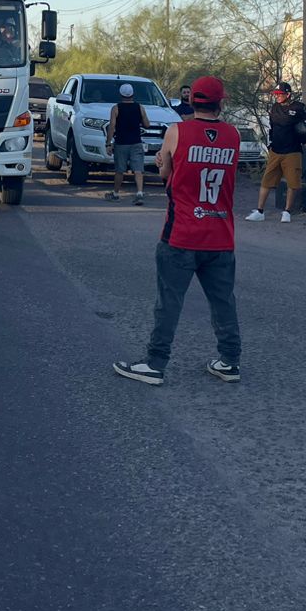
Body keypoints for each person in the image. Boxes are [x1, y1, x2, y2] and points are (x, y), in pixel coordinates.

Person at [114, 76, 243, 387]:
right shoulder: (233, 135)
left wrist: (162, 162)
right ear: (220, 103)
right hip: (220, 234)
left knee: (169, 302)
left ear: (191, 100)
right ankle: (230, 360)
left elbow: (167, 175)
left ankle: (155, 363)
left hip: (182, 233)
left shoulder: (177, 131)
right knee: (223, 301)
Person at [247, 80, 306, 223]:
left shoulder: (299, 107)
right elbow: (271, 128)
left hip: (293, 150)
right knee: (266, 181)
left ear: (288, 94)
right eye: (276, 94)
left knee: (293, 183)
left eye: (280, 94)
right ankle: (260, 211)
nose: (277, 96)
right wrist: (269, 143)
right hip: (276, 150)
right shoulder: (274, 107)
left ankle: (287, 212)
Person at [104, 82, 149, 204]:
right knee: (138, 169)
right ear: (133, 94)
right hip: (136, 142)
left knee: (119, 170)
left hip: (121, 143)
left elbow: (112, 126)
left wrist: (108, 143)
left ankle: (116, 193)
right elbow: (147, 124)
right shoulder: (140, 107)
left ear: (120, 94)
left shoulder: (116, 108)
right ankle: (139, 193)